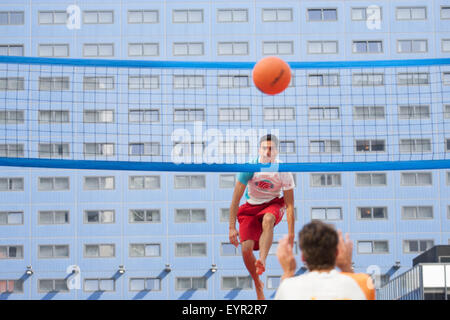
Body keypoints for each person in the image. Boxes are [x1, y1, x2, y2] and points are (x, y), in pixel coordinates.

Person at [229, 134, 295, 300]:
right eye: (264, 148)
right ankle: (258, 283)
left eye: (271, 148)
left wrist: (291, 234)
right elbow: (236, 199)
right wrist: (231, 227)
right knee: (245, 249)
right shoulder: (250, 167)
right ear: (259, 150)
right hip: (250, 206)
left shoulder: (283, 170)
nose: (267, 151)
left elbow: (290, 205)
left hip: (273, 203)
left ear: (276, 152)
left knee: (268, 219)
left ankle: (262, 261)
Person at [275, 220, 375, 300]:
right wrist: (346, 266)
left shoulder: (289, 288)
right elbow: (358, 287)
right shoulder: (363, 283)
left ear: (303, 257)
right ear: (336, 253)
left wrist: (288, 272)